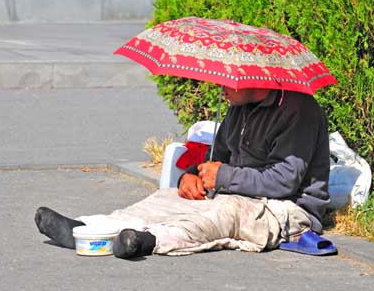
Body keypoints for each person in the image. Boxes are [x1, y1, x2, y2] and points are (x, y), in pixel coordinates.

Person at [35, 86, 330, 259]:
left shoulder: (298, 109)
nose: (220, 85)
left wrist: (224, 177)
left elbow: (284, 180)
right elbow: (218, 157)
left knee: (226, 213)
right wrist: (191, 175)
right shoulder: (240, 105)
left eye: (227, 80)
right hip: (235, 191)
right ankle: (88, 228)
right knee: (166, 197)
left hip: (286, 210)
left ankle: (146, 241)